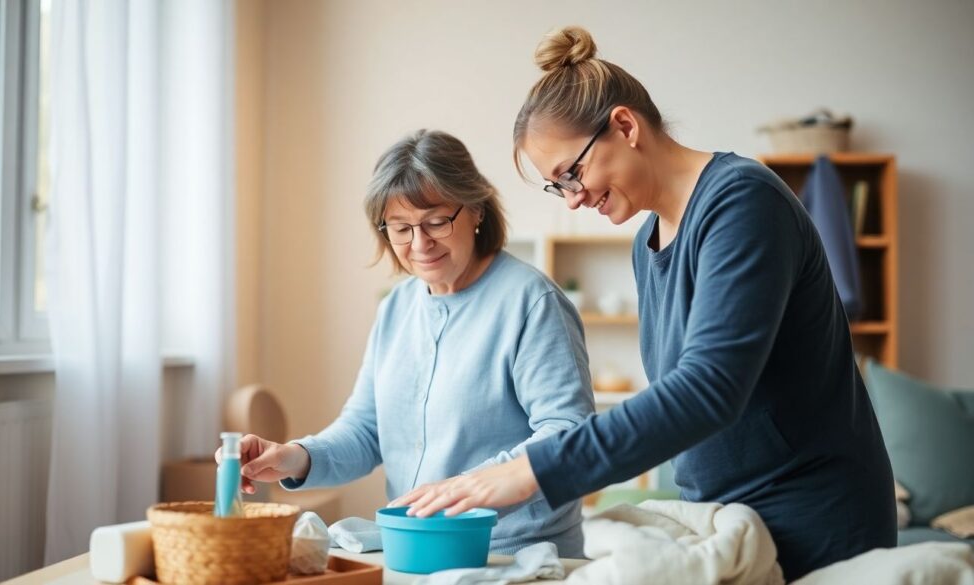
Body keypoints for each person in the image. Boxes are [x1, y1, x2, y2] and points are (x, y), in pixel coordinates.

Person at [392, 27, 896, 579]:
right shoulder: (647, 241)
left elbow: (709, 390)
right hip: (726, 522)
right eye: (558, 186)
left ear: (625, 126)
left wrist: (529, 469)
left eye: (572, 173)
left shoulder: (742, 202)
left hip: (814, 520)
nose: (575, 197)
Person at [220, 129, 595, 557]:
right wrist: (294, 456)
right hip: (415, 550)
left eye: (436, 221)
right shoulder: (396, 308)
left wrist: (467, 488)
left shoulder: (531, 302)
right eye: (400, 228)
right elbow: (366, 430)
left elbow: (569, 433)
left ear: (475, 209)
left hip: (515, 553)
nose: (419, 244)